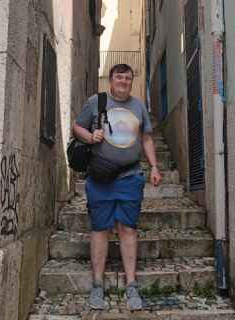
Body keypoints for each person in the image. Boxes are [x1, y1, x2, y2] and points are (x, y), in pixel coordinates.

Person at [73, 64, 162, 310]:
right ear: (110, 80)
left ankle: (132, 285)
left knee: (128, 229)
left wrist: (154, 166)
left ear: (132, 81)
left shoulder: (138, 106)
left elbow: (146, 137)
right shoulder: (96, 102)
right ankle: (97, 285)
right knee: (100, 229)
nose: (123, 81)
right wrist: (90, 137)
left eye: (127, 77)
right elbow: (77, 126)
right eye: (118, 77)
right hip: (100, 178)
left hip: (130, 176)